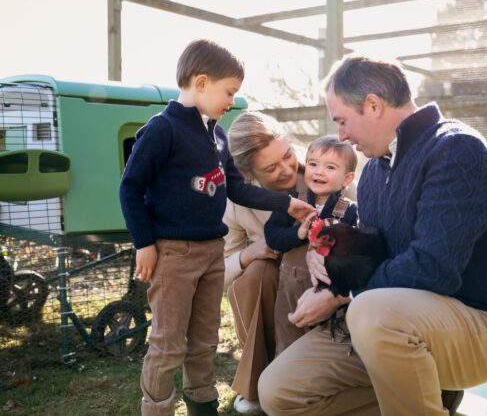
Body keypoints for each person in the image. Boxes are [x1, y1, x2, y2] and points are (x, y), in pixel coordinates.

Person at [258, 54, 487, 416]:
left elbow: (433, 269)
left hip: (480, 327)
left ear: (373, 105)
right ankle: (428, 395)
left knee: (372, 311)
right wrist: (329, 257)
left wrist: (341, 296)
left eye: (342, 121)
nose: (341, 135)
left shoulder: (455, 148)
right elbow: (375, 255)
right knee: (278, 392)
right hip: (389, 322)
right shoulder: (372, 174)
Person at [119, 39, 313, 416]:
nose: (231, 101)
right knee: (168, 343)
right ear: (202, 82)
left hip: (211, 251)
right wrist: (144, 243)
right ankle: (156, 408)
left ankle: (202, 404)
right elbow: (130, 187)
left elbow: (236, 188)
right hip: (174, 253)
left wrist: (286, 203)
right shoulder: (162, 130)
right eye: (229, 92)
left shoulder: (218, 136)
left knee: (205, 340)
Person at [223, 117, 358, 414]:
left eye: (288, 156)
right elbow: (219, 271)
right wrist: (250, 254)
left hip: (324, 275)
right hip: (277, 273)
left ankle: (321, 372)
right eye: (271, 168)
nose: (286, 169)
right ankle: (259, 379)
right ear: (247, 174)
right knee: (257, 273)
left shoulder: (325, 173)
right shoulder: (234, 201)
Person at [264, 135, 358, 355]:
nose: (319, 172)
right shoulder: (292, 202)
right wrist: (297, 233)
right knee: (287, 341)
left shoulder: (350, 210)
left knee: (326, 347)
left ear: (347, 178)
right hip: (290, 291)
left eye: (330, 167)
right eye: (313, 164)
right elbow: (272, 236)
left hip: (326, 294)